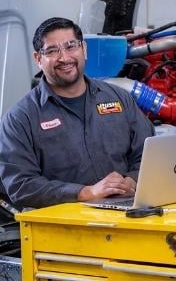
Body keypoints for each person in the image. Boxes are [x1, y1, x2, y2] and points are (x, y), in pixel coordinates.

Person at [0, 17, 154, 209]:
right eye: (52, 51)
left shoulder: (119, 99)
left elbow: (149, 153)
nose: (64, 57)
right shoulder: (20, 119)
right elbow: (20, 185)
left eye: (71, 46)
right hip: (63, 229)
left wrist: (133, 179)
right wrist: (86, 193)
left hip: (126, 217)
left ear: (84, 49)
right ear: (38, 59)